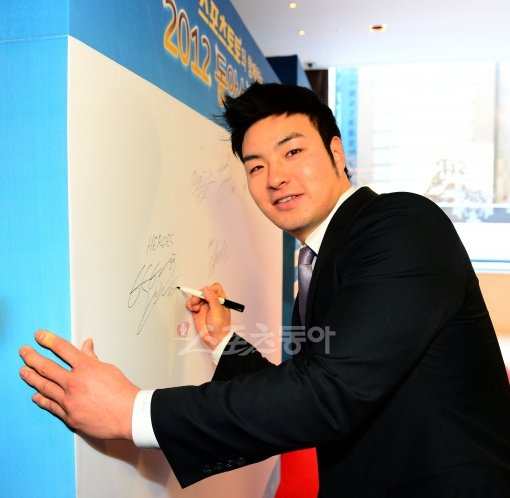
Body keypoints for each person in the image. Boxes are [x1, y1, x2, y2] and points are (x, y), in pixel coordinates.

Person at [19, 83, 510, 497]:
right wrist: (222, 341)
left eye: (292, 152)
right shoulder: (316, 259)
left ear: (337, 153)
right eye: (255, 166)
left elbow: (328, 393)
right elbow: (310, 386)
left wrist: (133, 412)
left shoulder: (401, 225)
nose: (275, 178)